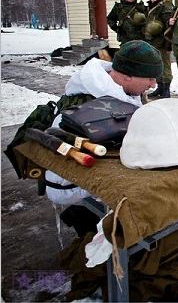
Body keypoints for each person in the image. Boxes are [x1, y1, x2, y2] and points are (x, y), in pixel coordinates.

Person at [44, 40, 163, 236]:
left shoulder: (119, 91)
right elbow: (57, 190)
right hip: (83, 193)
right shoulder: (82, 110)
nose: (153, 85)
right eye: (150, 78)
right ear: (127, 76)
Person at [144, 0, 174, 98]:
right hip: (151, 41)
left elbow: (168, 29)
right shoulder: (148, 8)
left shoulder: (164, 8)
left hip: (162, 42)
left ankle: (166, 89)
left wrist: (168, 46)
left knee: (165, 66)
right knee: (156, 65)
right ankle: (160, 87)